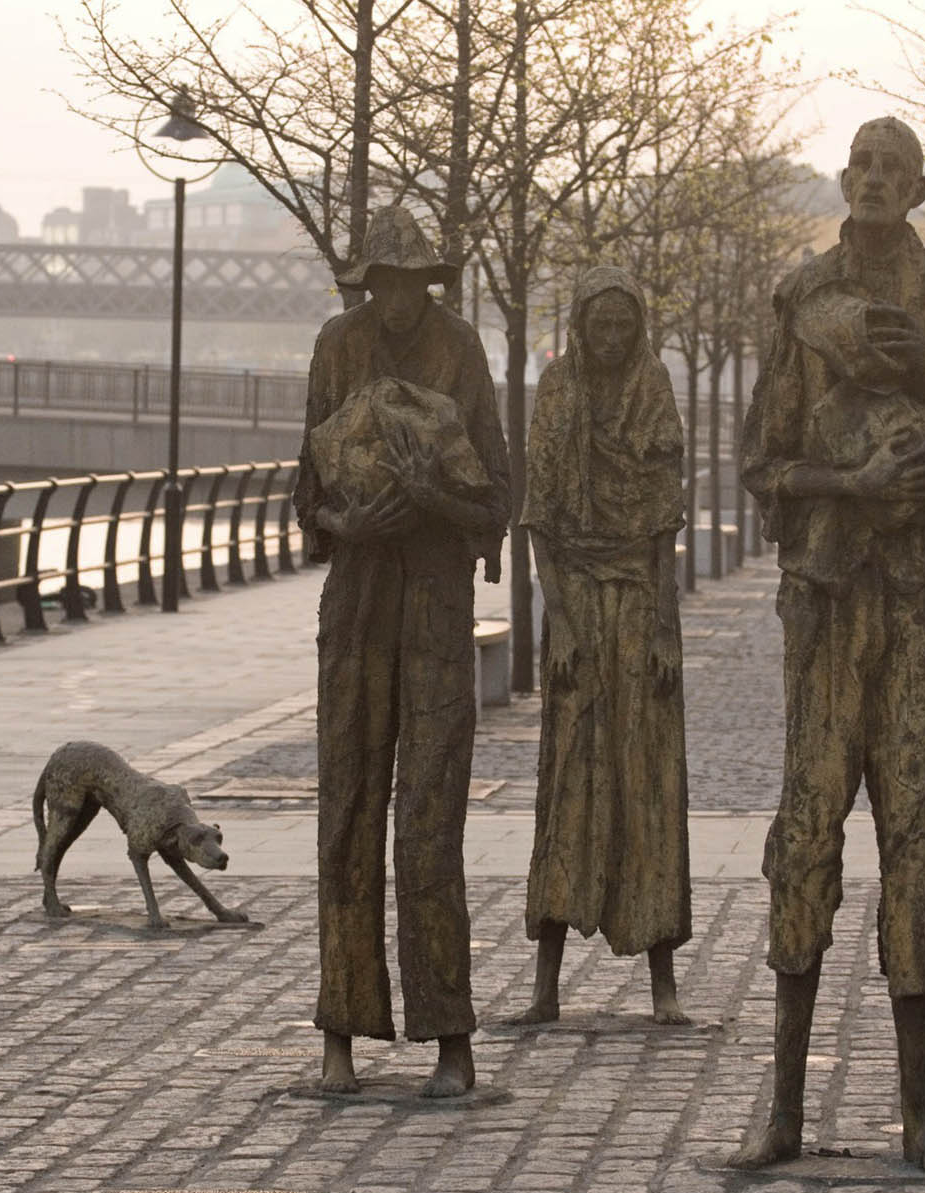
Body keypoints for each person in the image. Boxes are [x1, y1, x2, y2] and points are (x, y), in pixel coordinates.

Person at [735, 117, 925, 1176]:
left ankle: (919, 1119)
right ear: (845, 180)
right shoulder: (800, 296)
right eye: (863, 167)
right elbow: (761, 464)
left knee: (918, 835)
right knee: (804, 830)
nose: (877, 180)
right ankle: (783, 1111)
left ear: (919, 188)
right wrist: (852, 483)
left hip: (915, 603)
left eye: (896, 170)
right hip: (825, 602)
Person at [294, 205, 511, 1097]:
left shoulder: (460, 348)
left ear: (427, 283)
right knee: (347, 815)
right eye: (380, 282)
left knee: (429, 823)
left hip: (434, 609)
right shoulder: (336, 345)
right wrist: (347, 522)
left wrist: (434, 499)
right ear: (366, 283)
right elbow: (306, 491)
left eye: (408, 283)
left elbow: (496, 497)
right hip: (356, 609)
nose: (394, 298)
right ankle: (340, 1035)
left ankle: (451, 1038)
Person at [514, 265, 691, 1026]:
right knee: (568, 781)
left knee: (648, 781)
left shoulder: (653, 388)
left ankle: (663, 983)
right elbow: (540, 521)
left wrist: (664, 629)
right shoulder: (558, 391)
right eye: (600, 324)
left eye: (624, 324)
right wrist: (558, 619)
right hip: (577, 607)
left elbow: (662, 530)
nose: (612, 338)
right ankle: (545, 986)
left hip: (638, 604)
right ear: (581, 326)